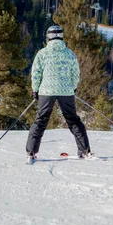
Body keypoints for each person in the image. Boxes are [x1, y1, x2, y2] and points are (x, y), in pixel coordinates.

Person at [26, 25, 92, 164]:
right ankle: (85, 151)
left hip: (46, 91)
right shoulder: (69, 53)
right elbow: (75, 73)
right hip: (66, 91)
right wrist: (73, 87)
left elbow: (36, 73)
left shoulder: (42, 53)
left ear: (48, 37)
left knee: (41, 120)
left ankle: (31, 152)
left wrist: (35, 90)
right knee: (73, 120)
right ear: (61, 37)